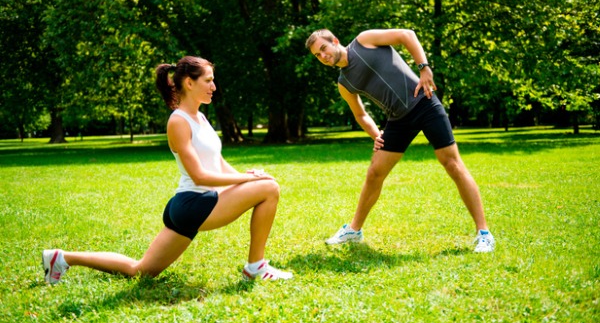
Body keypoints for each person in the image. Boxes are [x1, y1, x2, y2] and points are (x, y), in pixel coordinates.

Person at [42, 56, 293, 284]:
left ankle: (62, 258)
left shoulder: (201, 118)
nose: (214, 87)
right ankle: (256, 267)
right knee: (269, 188)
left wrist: (248, 176)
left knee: (140, 270)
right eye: (208, 81)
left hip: (190, 206)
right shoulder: (178, 121)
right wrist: (251, 181)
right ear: (189, 83)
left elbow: (216, 164)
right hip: (195, 203)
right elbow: (200, 176)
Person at [305, 29, 495, 252]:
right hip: (397, 120)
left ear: (335, 41)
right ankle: (354, 230)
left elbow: (407, 35)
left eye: (323, 48)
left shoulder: (364, 41)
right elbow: (360, 114)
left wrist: (424, 68)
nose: (323, 56)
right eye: (317, 55)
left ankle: (484, 233)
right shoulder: (344, 83)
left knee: (452, 163)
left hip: (424, 102)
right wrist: (377, 135)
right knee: (375, 172)